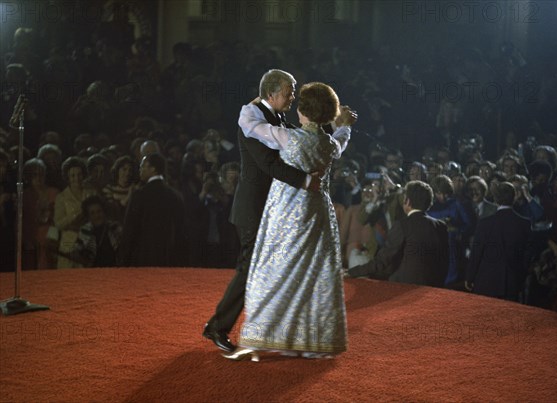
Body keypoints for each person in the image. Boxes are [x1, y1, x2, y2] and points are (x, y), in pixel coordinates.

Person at [202, 69, 352, 353]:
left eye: (295, 91)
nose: (293, 97)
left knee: (277, 269)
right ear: (272, 93)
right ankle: (219, 327)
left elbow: (307, 142)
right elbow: (271, 165)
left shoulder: (276, 120)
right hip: (255, 208)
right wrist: (308, 180)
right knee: (251, 268)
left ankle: (279, 331)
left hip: (280, 212)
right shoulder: (254, 119)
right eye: (289, 91)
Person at [346, 180, 449, 288]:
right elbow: (444, 262)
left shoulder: (402, 225)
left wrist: (352, 272)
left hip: (405, 288)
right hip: (434, 287)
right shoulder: (441, 226)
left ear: (407, 202)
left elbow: (382, 261)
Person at [465, 182, 532, 301]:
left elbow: (476, 253)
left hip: (486, 282)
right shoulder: (524, 224)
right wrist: (521, 277)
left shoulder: (485, 223)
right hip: (512, 282)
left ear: (495, 198)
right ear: (514, 197)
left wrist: (470, 277)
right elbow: (526, 255)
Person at [118, 153, 187, 267]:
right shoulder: (175, 196)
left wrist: (124, 259)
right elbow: (182, 232)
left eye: (143, 166)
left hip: (143, 259)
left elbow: (130, 230)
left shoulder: (139, 195)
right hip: (169, 259)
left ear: (153, 169)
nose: (140, 169)